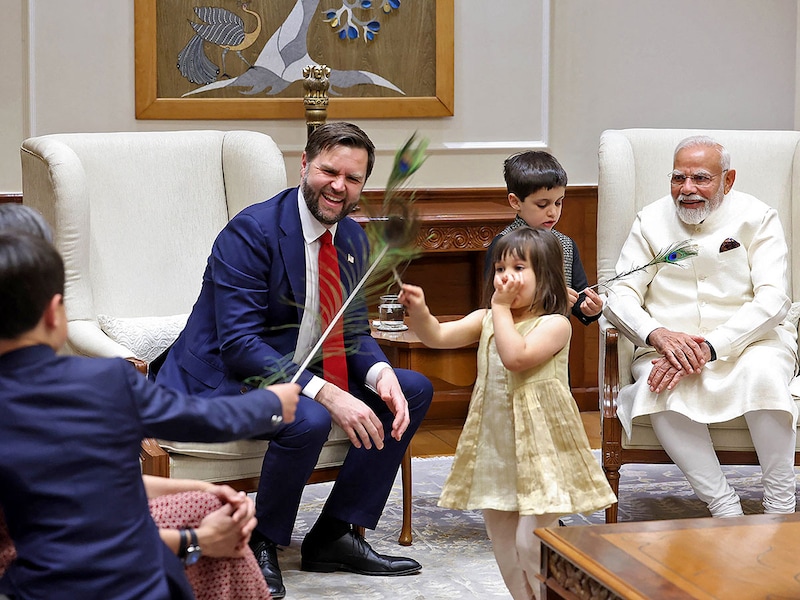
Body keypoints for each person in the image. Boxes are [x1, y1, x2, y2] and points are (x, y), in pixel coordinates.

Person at [155, 122, 433, 598]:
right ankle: (261, 541)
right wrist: (328, 394)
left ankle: (334, 535)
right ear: (304, 164)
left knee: (412, 388)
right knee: (306, 416)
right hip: (224, 377)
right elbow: (240, 345)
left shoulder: (352, 239)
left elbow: (351, 331)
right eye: (329, 171)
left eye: (353, 178)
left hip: (296, 369)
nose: (339, 186)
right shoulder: (252, 231)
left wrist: (381, 372)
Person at [0, 230, 300, 599]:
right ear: (53, 313)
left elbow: (106, 483)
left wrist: (207, 489)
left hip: (33, 584)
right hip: (126, 581)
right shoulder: (108, 380)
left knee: (211, 504)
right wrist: (271, 405)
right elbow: (197, 419)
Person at [400, 226, 616, 600]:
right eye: (500, 268)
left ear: (545, 277)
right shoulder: (486, 318)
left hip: (543, 449)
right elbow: (436, 336)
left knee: (532, 542)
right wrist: (419, 312)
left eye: (518, 268)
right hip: (497, 446)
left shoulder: (556, 324)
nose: (505, 277)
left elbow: (516, 357)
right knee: (502, 542)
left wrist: (500, 308)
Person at [603, 135, 798, 518]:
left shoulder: (758, 217)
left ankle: (780, 507)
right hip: (668, 347)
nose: (687, 189)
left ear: (728, 179)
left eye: (701, 178)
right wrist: (656, 334)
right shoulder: (650, 220)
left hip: (750, 342)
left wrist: (711, 347)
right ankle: (724, 507)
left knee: (763, 374)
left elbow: (774, 299)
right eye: (679, 178)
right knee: (658, 386)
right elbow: (619, 293)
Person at [484, 150, 603, 325]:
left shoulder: (566, 245)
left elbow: (579, 297)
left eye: (558, 202)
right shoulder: (504, 244)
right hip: (515, 333)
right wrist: (554, 298)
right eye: (542, 204)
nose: (553, 212)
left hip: (555, 337)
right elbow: (495, 299)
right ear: (515, 202)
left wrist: (590, 309)